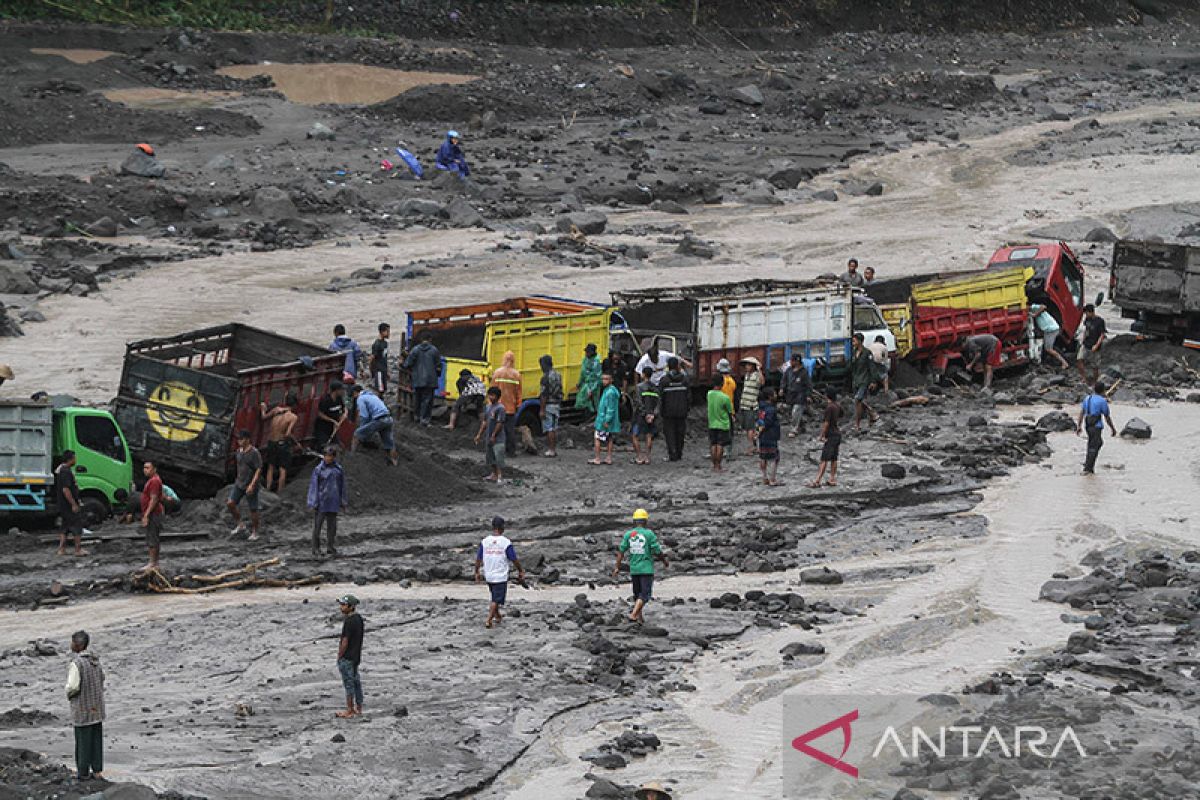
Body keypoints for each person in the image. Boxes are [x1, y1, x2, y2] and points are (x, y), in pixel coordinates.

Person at [611, 508, 668, 625]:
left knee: (637, 594)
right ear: (646, 521)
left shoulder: (628, 535)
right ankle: (633, 614)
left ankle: (639, 618)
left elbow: (621, 551)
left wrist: (617, 567)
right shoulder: (649, 534)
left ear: (634, 521)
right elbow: (657, 550)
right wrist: (664, 561)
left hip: (634, 569)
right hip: (646, 569)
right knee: (645, 595)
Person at [65, 630, 105, 781]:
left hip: (82, 708)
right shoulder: (95, 661)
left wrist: (69, 696)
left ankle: (83, 772)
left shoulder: (77, 664)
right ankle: (97, 771)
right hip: (97, 707)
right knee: (96, 739)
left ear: (77, 645)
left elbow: (72, 687)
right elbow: (102, 678)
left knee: (82, 740)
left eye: (72, 642)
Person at [474, 516, 525, 629]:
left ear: (493, 527)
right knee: (496, 599)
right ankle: (489, 620)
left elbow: (478, 558)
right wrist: (520, 570)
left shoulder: (485, 542)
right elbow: (513, 558)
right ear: (502, 528)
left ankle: (498, 616)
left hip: (489, 574)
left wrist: (477, 571)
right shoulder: (505, 543)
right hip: (500, 575)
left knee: (495, 596)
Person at [308, 446, 346, 557]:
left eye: (330, 456)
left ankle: (330, 546)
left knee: (332, 526)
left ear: (334, 457)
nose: (328, 458)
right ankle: (316, 548)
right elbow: (313, 486)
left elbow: (342, 487)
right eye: (326, 456)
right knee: (317, 526)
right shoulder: (318, 470)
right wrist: (313, 502)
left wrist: (342, 501)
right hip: (322, 502)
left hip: (333, 501)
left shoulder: (338, 470)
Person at [226, 430, 263, 540]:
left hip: (250, 484)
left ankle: (255, 532)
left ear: (247, 439)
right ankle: (240, 524)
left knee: (253, 509)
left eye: (241, 439)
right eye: (238, 439)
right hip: (239, 483)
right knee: (230, 503)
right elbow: (239, 466)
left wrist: (252, 484)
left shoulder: (254, 453)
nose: (239, 441)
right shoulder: (239, 452)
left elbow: (258, 469)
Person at [350, 385, 399, 466]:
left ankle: (352, 458)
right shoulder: (372, 395)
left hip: (379, 420)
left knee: (356, 434)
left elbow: (364, 416)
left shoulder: (360, 398)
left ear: (355, 392)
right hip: (388, 418)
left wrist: (362, 430)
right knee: (389, 443)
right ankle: (395, 463)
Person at [260, 392, 298, 493]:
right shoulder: (293, 417)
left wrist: (263, 409)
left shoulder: (276, 410)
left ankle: (267, 489)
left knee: (271, 467)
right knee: (283, 469)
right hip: (282, 444)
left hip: (271, 442)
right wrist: (297, 443)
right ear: (295, 405)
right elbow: (288, 434)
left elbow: (263, 417)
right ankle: (280, 492)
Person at [1075, 382, 1117, 475]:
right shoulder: (1102, 401)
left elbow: (1082, 412)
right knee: (1096, 445)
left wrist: (1079, 426)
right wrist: (1113, 429)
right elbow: (1107, 417)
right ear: (1103, 390)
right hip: (1096, 426)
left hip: (1088, 425)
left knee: (1092, 444)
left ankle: (1088, 465)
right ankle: (1088, 469)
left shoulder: (1087, 398)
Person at [403, 332, 442, 426]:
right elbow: (439, 366)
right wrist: (438, 375)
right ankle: (424, 420)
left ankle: (416, 417)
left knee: (417, 399)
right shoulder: (434, 350)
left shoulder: (415, 350)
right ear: (430, 340)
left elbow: (407, 364)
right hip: (430, 380)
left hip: (417, 379)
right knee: (427, 400)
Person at [335, 595, 364, 719]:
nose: (341, 607)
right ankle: (359, 708)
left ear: (351, 607)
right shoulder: (359, 619)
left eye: (343, 605)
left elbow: (345, 641)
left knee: (349, 684)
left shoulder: (349, 621)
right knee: (356, 682)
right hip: (356, 657)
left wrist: (339, 655)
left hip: (347, 657)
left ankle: (350, 710)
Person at [659, 357, 690, 462]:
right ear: (678, 366)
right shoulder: (685, 380)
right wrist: (687, 409)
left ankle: (672, 454)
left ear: (668, 367)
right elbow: (689, 397)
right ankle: (679, 453)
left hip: (668, 412)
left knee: (670, 433)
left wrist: (661, 411)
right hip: (682, 411)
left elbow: (661, 398)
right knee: (680, 432)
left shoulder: (664, 380)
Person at [810, 389, 842, 488]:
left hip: (831, 435)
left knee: (824, 458)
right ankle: (832, 478)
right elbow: (841, 415)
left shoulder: (829, 408)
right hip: (837, 434)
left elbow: (826, 423)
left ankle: (817, 480)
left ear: (827, 396)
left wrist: (822, 435)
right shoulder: (837, 406)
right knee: (834, 458)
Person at [55, 451, 85, 557]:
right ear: (70, 459)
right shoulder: (66, 472)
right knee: (76, 525)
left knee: (65, 527)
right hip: (68, 505)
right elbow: (66, 489)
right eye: (74, 458)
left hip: (63, 505)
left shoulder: (60, 470)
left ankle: (61, 549)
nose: (75, 460)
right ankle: (78, 549)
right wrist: (73, 504)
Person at [492, 350, 522, 457]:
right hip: (510, 408)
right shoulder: (516, 375)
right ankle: (511, 452)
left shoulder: (497, 373)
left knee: (498, 430)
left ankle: (498, 451)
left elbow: (492, 391)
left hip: (498, 407)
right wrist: (518, 405)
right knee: (510, 431)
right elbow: (519, 392)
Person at [475, 386, 507, 482]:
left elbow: (499, 423)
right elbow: (485, 421)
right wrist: (479, 434)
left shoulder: (500, 408)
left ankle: (499, 475)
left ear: (498, 397)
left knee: (498, 456)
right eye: (489, 395)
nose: (490, 397)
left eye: (493, 395)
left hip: (498, 438)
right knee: (490, 457)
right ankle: (493, 474)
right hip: (489, 436)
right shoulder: (488, 407)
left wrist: (494, 435)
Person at [591, 372, 621, 465]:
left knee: (597, 438)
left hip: (604, 420)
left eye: (606, 379)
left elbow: (610, 408)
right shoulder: (610, 390)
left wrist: (606, 420)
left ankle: (597, 458)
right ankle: (608, 457)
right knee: (609, 438)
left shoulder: (609, 392)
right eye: (603, 379)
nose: (604, 381)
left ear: (611, 380)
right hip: (608, 419)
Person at [850, 333, 879, 430]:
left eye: (854, 341)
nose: (853, 343)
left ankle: (857, 424)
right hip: (856, 380)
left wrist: (873, 381)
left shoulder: (867, 353)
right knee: (860, 400)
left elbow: (872, 367)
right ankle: (872, 414)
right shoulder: (853, 353)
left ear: (860, 341)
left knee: (858, 400)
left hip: (864, 380)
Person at [139, 462, 164, 571]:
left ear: (154, 469)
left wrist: (146, 515)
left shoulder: (154, 481)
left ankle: (152, 563)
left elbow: (153, 499)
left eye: (148, 468)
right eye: (144, 468)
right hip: (154, 513)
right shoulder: (153, 480)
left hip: (153, 513)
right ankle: (155, 562)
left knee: (152, 537)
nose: (145, 470)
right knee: (153, 537)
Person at [706, 373, 734, 472]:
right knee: (720, 445)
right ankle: (719, 465)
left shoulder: (709, 394)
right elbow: (730, 411)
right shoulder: (725, 397)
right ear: (722, 383)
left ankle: (714, 465)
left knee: (713, 444)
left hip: (712, 423)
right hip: (723, 424)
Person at [632, 366, 659, 464]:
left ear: (643, 374)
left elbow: (638, 402)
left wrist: (645, 414)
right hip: (651, 416)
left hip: (640, 416)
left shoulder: (639, 387)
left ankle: (639, 456)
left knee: (635, 435)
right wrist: (652, 415)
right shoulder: (655, 388)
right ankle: (647, 457)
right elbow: (658, 403)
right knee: (649, 435)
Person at [780, 353, 812, 437]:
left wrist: (808, 395)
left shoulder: (804, 372)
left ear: (797, 361)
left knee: (796, 411)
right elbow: (784, 380)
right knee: (793, 412)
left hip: (800, 395)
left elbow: (808, 385)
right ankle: (801, 426)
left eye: (792, 361)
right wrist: (782, 389)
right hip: (790, 394)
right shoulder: (789, 371)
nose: (790, 362)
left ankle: (794, 429)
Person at [1030, 304, 1070, 370]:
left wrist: (1035, 315)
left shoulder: (1033, 307)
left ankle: (1064, 363)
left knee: (1048, 349)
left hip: (1051, 330)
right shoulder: (1032, 309)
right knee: (1046, 347)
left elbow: (1044, 306)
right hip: (1049, 330)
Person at [737, 357, 764, 454]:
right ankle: (754, 446)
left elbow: (762, 382)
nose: (746, 367)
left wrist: (759, 370)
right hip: (745, 405)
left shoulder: (756, 375)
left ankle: (751, 447)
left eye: (748, 365)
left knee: (750, 428)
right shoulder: (747, 376)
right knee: (749, 428)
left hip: (751, 406)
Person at [1076, 304, 1107, 385]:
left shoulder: (1100, 321)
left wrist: (1097, 345)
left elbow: (1102, 334)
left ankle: (1095, 381)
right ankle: (1084, 378)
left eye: (1086, 313)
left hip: (1095, 345)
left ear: (1091, 312)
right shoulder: (1087, 319)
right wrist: (1083, 339)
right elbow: (1086, 329)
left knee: (1095, 365)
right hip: (1086, 343)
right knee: (1079, 359)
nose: (1086, 315)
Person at [539, 354, 563, 457]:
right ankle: (554, 449)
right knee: (554, 428)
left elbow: (544, 394)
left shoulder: (545, 377)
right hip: (557, 404)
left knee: (549, 428)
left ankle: (551, 450)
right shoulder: (558, 375)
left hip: (548, 405)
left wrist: (542, 409)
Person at [756, 387, 781, 486]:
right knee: (774, 458)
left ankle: (764, 477)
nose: (776, 395)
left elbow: (760, 422)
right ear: (770, 397)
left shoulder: (761, 408)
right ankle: (772, 479)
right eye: (774, 394)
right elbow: (768, 422)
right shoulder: (771, 409)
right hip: (771, 435)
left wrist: (758, 432)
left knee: (763, 457)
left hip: (762, 436)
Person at [313, 381, 348, 449]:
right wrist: (332, 421)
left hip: (333, 428)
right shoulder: (325, 400)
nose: (343, 391)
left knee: (337, 446)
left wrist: (344, 414)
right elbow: (320, 414)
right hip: (322, 429)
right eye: (341, 389)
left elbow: (344, 409)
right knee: (325, 447)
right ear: (336, 390)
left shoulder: (339, 399)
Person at [575, 343, 603, 416]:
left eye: (588, 352)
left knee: (594, 405)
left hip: (593, 387)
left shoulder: (596, 361)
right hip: (586, 386)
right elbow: (583, 373)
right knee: (583, 403)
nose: (586, 353)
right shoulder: (585, 360)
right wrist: (579, 383)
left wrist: (592, 390)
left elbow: (598, 378)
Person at [370, 323, 391, 395]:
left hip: (384, 369)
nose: (389, 333)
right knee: (380, 389)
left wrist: (387, 371)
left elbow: (384, 357)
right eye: (387, 331)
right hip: (378, 370)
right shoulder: (377, 344)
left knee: (384, 389)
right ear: (382, 332)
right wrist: (371, 371)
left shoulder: (385, 343)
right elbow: (372, 358)